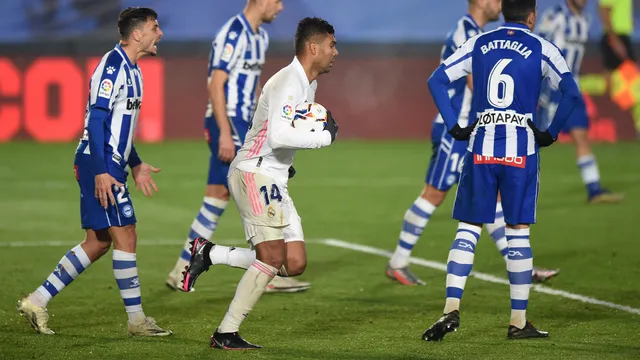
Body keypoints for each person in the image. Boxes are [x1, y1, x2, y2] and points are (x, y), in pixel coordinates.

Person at [422, 0, 582, 341]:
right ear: (532, 15)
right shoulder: (542, 47)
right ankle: (518, 322)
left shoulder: (479, 43)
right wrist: (550, 133)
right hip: (521, 152)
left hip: (480, 147)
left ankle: (450, 309)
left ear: (505, 11)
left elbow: (437, 80)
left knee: (468, 228)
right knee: (518, 232)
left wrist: (454, 125)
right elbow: (571, 92)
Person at [182, 17, 339, 349]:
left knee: (294, 263)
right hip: (255, 172)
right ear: (314, 47)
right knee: (270, 258)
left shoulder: (308, 85)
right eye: (331, 45)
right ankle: (226, 333)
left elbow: (277, 130)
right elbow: (280, 134)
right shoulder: (288, 81)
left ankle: (211, 253)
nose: (334, 52)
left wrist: (288, 163)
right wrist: (323, 138)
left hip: (275, 177)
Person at [16, 7, 171, 336]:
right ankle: (137, 321)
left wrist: (137, 162)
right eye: (155, 28)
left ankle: (36, 300)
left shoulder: (136, 71)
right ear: (137, 34)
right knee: (126, 234)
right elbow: (97, 119)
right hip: (98, 162)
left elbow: (121, 128)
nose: (160, 33)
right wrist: (103, 170)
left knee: (99, 241)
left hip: (108, 160)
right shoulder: (112, 66)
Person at [387, 0, 558, 286]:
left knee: (493, 197)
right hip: (457, 131)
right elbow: (475, 83)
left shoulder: (476, 33)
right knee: (434, 193)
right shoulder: (466, 33)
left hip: (475, 132)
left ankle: (519, 264)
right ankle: (398, 262)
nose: (499, 4)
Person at [164, 0, 310, 294]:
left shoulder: (260, 37)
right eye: (277, 1)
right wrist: (225, 134)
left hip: (245, 124)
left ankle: (181, 269)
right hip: (228, 122)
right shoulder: (233, 32)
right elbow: (216, 84)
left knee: (217, 198)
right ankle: (268, 268)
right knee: (262, 189)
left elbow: (255, 87)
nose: (280, 8)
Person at [538, 0, 623, 203]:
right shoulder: (555, 16)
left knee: (581, 136)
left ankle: (594, 190)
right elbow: (538, 48)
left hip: (572, 88)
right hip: (552, 88)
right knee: (533, 141)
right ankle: (507, 189)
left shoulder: (585, 20)